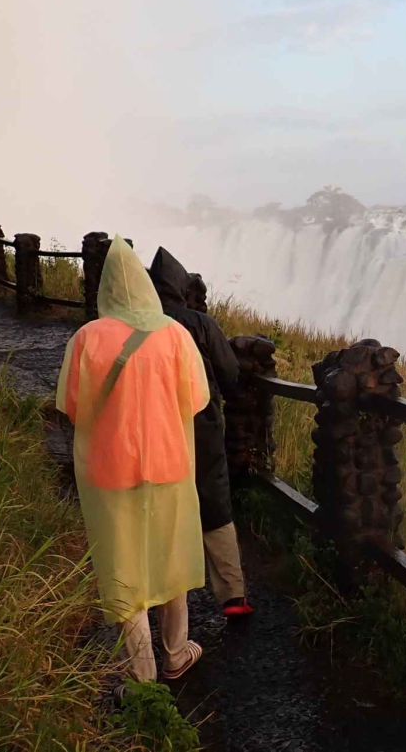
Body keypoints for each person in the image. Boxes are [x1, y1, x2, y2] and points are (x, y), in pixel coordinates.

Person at [56, 236, 209, 682]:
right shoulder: (175, 335)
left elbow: (72, 406)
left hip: (110, 471)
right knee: (171, 557)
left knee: (124, 569)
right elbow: (197, 399)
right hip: (169, 464)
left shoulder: (86, 338)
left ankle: (142, 678)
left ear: (105, 288)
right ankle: (176, 653)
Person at [149, 247, 254, 617]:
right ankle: (232, 595)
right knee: (214, 500)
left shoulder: (140, 324)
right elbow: (229, 373)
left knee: (162, 504)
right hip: (201, 424)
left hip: (155, 428)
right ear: (182, 288)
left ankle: (162, 591)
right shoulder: (200, 324)